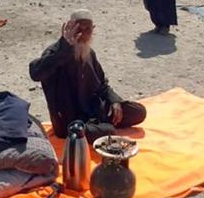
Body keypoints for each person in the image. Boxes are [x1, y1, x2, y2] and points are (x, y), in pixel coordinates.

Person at [29, 10, 147, 142]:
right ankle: (96, 129)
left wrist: (115, 101)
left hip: (94, 110)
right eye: (79, 29)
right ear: (70, 27)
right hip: (70, 119)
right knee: (109, 131)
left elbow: (102, 84)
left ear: (93, 30)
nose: (83, 34)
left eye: (88, 30)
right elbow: (35, 73)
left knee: (138, 112)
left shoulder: (89, 52)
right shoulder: (55, 52)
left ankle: (100, 127)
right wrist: (64, 49)